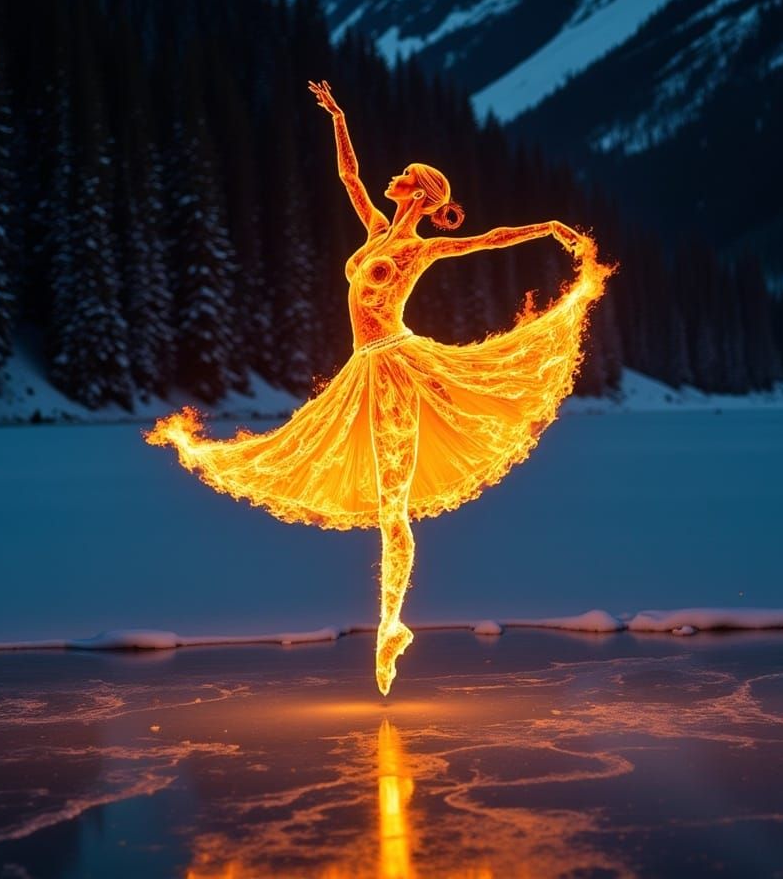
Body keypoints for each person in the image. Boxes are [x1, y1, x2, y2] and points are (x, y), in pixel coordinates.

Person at [146, 80, 611, 695]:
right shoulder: (374, 232)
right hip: (366, 367)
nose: (394, 180)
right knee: (350, 479)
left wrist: (549, 227)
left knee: (392, 507)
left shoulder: (419, 249)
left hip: (394, 367)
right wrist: (338, 116)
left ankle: (392, 621)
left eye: (406, 176)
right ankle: (392, 623)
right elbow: (349, 177)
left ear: (418, 193)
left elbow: (488, 239)